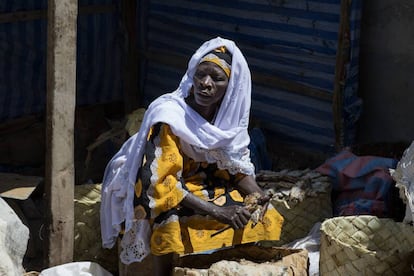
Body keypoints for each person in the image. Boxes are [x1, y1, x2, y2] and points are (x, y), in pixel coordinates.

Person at [100, 37, 284, 275]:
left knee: (257, 212)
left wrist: (257, 195)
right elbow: (159, 182)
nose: (205, 84)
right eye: (201, 75)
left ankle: (227, 266)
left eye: (217, 78)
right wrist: (217, 211)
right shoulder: (168, 117)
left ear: (231, 87)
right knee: (167, 216)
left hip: (195, 181)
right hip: (152, 182)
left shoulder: (225, 122)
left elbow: (234, 169)